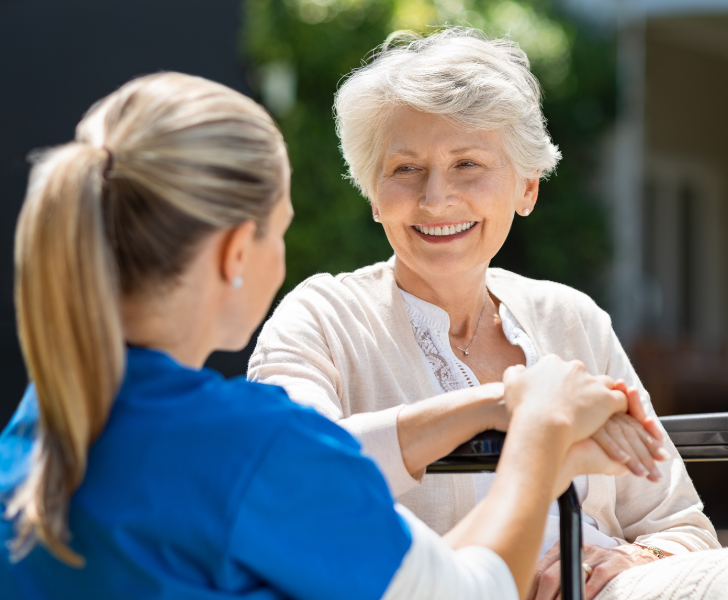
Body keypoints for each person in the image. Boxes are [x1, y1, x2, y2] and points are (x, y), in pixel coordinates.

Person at [0, 71, 652, 600]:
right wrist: (539, 434)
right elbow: (465, 595)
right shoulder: (257, 446)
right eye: (280, 231)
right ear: (234, 253)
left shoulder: (36, 431)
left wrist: (498, 406)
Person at [246, 27, 720, 599]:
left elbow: (681, 526)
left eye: (467, 163)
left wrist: (622, 561)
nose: (435, 198)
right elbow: (293, 476)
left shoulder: (573, 318)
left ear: (527, 188)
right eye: (405, 169)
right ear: (374, 195)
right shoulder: (320, 318)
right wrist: (503, 407)